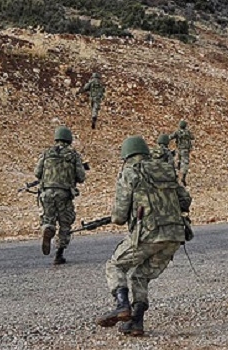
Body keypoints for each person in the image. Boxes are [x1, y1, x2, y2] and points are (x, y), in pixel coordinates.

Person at [96, 135, 192, 336]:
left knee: (115, 265)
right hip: (175, 234)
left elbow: (120, 217)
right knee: (140, 275)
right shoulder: (164, 169)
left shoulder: (129, 174)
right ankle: (136, 323)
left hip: (148, 233)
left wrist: (121, 213)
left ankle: (122, 305)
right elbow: (185, 200)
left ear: (126, 156)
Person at [34, 125, 87, 265]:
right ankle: (59, 254)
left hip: (46, 192)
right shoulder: (73, 155)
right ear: (69, 139)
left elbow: (37, 173)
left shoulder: (46, 153)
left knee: (48, 218)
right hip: (64, 194)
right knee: (65, 223)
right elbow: (81, 177)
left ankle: (47, 227)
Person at [169, 120, 194, 186]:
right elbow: (192, 137)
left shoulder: (177, 132)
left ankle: (176, 175)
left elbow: (170, 137)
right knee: (185, 164)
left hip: (179, 150)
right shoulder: (188, 132)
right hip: (185, 150)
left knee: (178, 162)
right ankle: (183, 177)